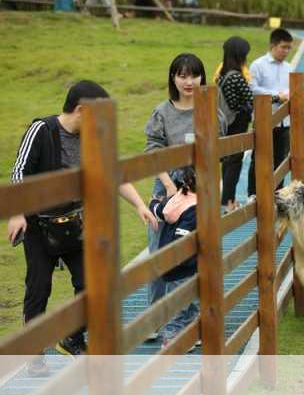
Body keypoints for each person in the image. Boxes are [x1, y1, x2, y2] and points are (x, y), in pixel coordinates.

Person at [6, 80, 158, 375]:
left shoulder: (93, 137)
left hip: (76, 224)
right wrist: (17, 212)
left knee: (92, 284)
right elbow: (19, 171)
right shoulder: (42, 130)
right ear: (80, 109)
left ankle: (73, 337)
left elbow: (113, 172)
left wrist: (140, 205)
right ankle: (34, 354)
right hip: (39, 226)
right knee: (39, 289)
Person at [143, 53, 206, 335]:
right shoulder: (162, 112)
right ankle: (156, 317)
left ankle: (192, 318)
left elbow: (219, 147)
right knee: (159, 251)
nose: (188, 81)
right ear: (173, 78)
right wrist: (169, 186)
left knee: (197, 256)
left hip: (200, 192)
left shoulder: (209, 109)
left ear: (202, 77)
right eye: (182, 75)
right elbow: (152, 151)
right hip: (167, 190)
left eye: (193, 75)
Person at [148, 167, 198, 350]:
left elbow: (160, 211)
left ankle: (193, 327)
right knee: (180, 302)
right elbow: (183, 236)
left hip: (168, 262)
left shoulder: (175, 200)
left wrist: (152, 203)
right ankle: (173, 337)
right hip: (183, 263)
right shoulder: (195, 206)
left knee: (185, 300)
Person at [246, 28, 293, 200]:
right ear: (273, 45)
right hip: (264, 119)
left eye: (289, 48)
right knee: (258, 158)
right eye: (283, 47)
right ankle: (253, 193)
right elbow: (252, 89)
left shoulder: (289, 67)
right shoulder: (258, 65)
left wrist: (289, 94)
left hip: (285, 121)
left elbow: (293, 89)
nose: (286, 51)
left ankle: (276, 194)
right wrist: (275, 95)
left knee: (281, 158)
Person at [216, 36, 253, 213]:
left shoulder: (222, 73)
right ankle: (228, 203)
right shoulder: (236, 77)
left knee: (229, 162)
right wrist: (278, 97)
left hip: (226, 123)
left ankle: (226, 201)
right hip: (237, 123)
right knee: (234, 163)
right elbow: (251, 99)